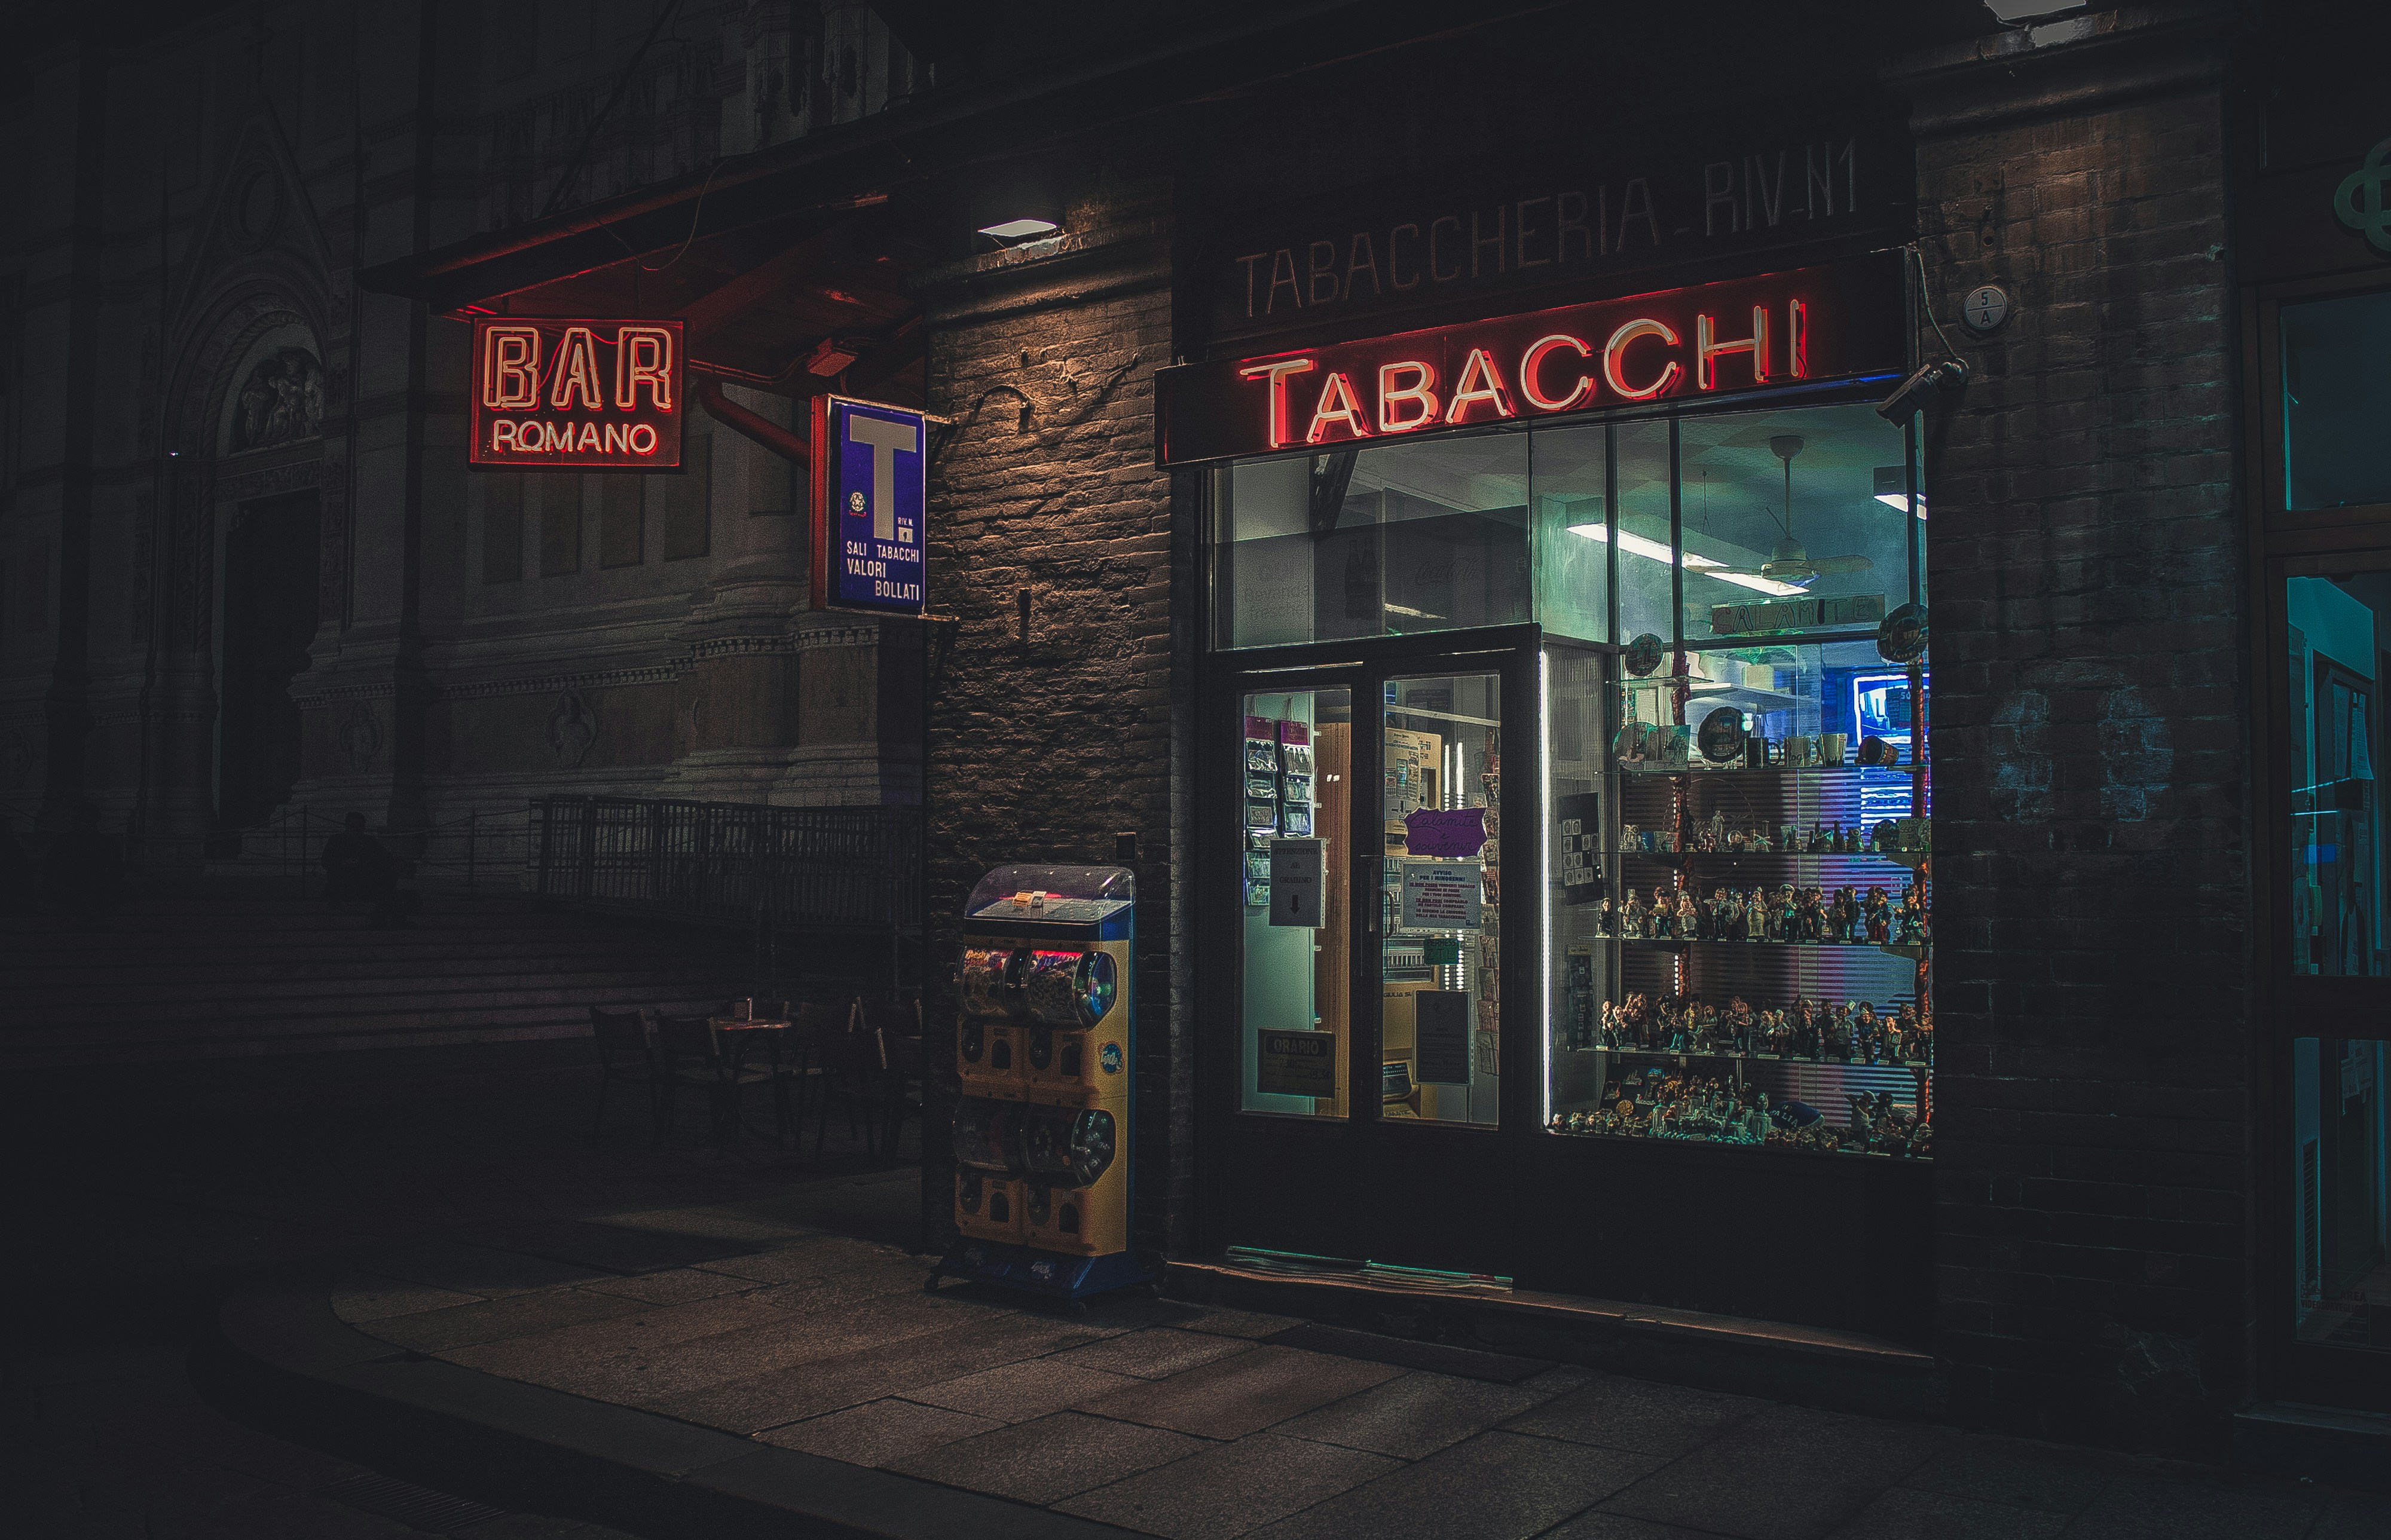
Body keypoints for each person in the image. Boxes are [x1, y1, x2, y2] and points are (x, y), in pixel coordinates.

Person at [41, 803, 124, 921]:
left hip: (95, 891)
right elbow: (49, 869)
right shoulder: (64, 842)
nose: (79, 823)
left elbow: (118, 871)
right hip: (71, 890)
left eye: (84, 819)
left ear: (94, 821)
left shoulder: (106, 843)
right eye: (77, 819)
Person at [321, 812, 404, 926]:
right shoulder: (336, 840)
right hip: (343, 880)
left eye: (359, 826)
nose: (356, 829)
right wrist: (343, 863)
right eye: (353, 825)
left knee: (387, 878)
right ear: (347, 825)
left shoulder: (369, 841)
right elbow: (326, 862)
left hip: (364, 880)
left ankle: (392, 917)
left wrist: (396, 862)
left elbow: (385, 856)